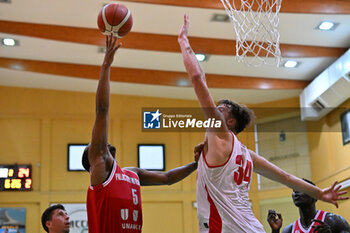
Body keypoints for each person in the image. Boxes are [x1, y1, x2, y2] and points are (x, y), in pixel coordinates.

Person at [177, 14, 348, 233]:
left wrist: (184, 42)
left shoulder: (220, 134)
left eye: (221, 110)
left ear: (229, 122)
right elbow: (286, 177)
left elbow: (197, 78)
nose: (214, 112)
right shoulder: (247, 154)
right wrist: (319, 193)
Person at [81, 34, 200, 233]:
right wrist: (106, 65)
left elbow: (168, 177)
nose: (99, 142)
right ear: (92, 160)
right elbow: (102, 109)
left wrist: (196, 164)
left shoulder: (132, 174)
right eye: (92, 146)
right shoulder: (100, 169)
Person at [267, 179, 350, 233]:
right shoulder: (289, 230)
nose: (296, 193)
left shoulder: (335, 221)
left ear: (315, 196)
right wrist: (275, 230)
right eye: (294, 190)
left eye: (302, 189)